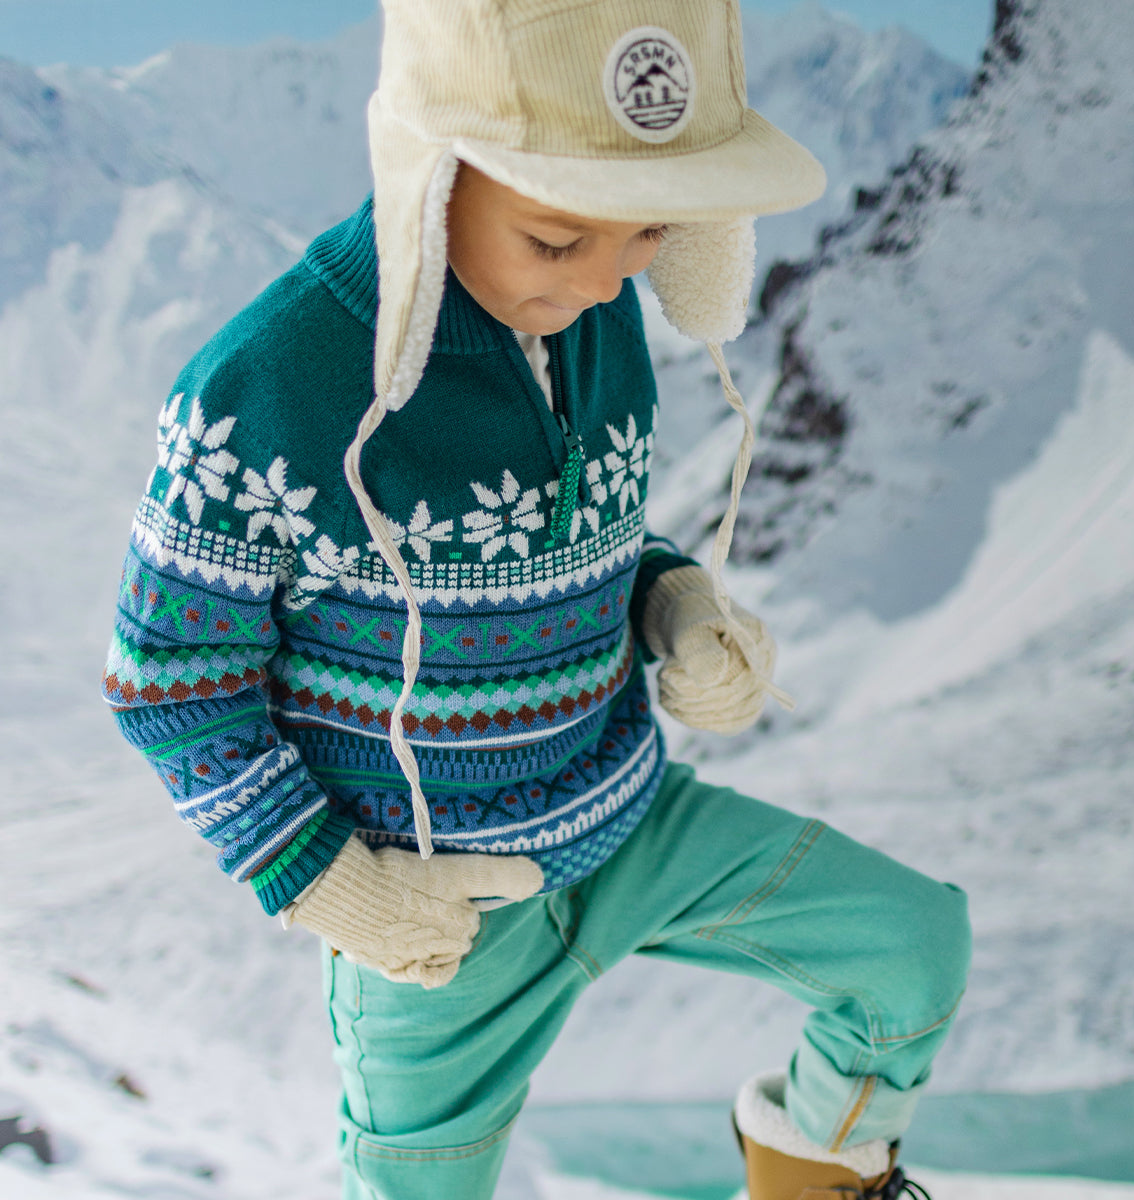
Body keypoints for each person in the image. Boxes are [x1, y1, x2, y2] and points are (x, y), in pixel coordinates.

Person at [102, 2, 971, 1197]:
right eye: (559, 241)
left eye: (653, 230)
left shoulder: (590, 305)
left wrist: (673, 603)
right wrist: (327, 882)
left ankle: (808, 1185)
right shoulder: (266, 388)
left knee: (908, 945)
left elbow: (580, 537)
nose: (612, 276)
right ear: (433, 176)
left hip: (628, 823)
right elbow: (171, 683)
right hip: (437, 918)